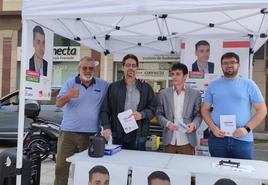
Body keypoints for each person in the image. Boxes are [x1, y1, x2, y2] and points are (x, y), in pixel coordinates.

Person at [54, 56, 109, 185]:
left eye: (91, 68)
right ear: (79, 69)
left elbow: (117, 90)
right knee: (61, 168)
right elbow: (58, 103)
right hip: (68, 133)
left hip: (91, 135)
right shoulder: (70, 83)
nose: (88, 70)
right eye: (84, 68)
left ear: (94, 70)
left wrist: (138, 83)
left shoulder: (103, 85)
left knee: (86, 169)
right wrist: (69, 95)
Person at [201, 52, 267, 159]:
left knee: (243, 174)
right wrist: (213, 128)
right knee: (219, 174)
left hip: (242, 139)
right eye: (225, 63)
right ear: (221, 66)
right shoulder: (213, 85)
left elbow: (262, 110)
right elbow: (204, 109)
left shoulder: (249, 84)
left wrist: (246, 129)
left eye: (232, 62)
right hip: (218, 139)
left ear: (238, 64)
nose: (229, 65)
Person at [100, 54, 157, 150]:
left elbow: (153, 108)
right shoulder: (113, 87)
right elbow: (104, 110)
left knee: (137, 163)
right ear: (122, 67)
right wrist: (106, 126)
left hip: (138, 134)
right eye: (128, 65)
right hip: (118, 133)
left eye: (133, 65)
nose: (131, 68)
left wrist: (142, 114)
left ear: (137, 68)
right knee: (118, 163)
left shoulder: (146, 88)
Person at [157, 63, 202, 155]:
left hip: (187, 141)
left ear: (185, 76)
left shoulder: (195, 94)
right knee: (168, 169)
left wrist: (193, 125)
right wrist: (167, 123)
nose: (174, 77)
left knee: (186, 168)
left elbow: (198, 115)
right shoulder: (163, 93)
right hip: (169, 140)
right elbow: (159, 114)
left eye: (178, 74)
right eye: (172, 74)